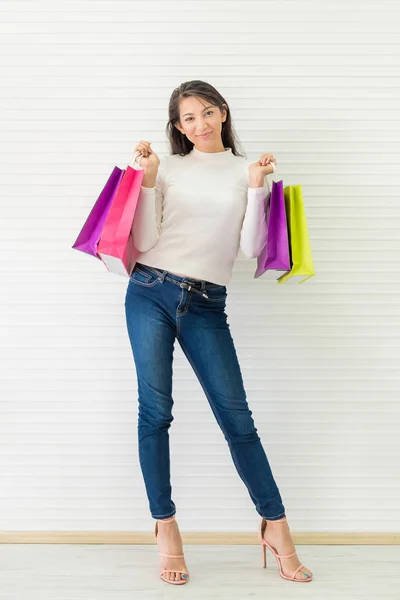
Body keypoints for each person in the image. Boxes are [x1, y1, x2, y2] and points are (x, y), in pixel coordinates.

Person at [124, 80, 313, 585]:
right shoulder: (168, 168)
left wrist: (256, 186)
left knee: (238, 420)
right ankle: (165, 526)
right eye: (188, 118)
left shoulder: (246, 171)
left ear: (223, 112)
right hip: (149, 291)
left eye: (207, 112)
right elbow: (143, 240)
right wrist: (146, 181)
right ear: (178, 126)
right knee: (156, 412)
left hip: (207, 303)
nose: (200, 124)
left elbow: (251, 250)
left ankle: (277, 527)